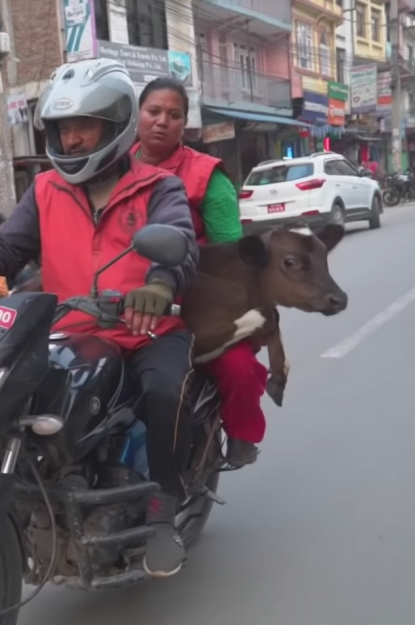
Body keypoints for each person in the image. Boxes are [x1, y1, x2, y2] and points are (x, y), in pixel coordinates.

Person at [0, 59, 198, 578]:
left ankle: (165, 504)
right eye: (62, 128)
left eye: (84, 127)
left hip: (142, 331)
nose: (71, 139)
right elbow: (9, 246)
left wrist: (159, 287)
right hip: (70, 331)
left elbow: (179, 245)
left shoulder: (159, 188)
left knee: (167, 390)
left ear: (115, 126)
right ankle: (27, 494)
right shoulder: (48, 189)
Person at [133, 76, 264, 468]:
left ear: (184, 124)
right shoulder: (113, 168)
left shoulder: (208, 176)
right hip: (121, 299)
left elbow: (232, 258)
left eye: (173, 115)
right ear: (136, 116)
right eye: (153, 111)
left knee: (238, 368)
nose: (161, 121)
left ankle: (240, 433)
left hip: (196, 304)